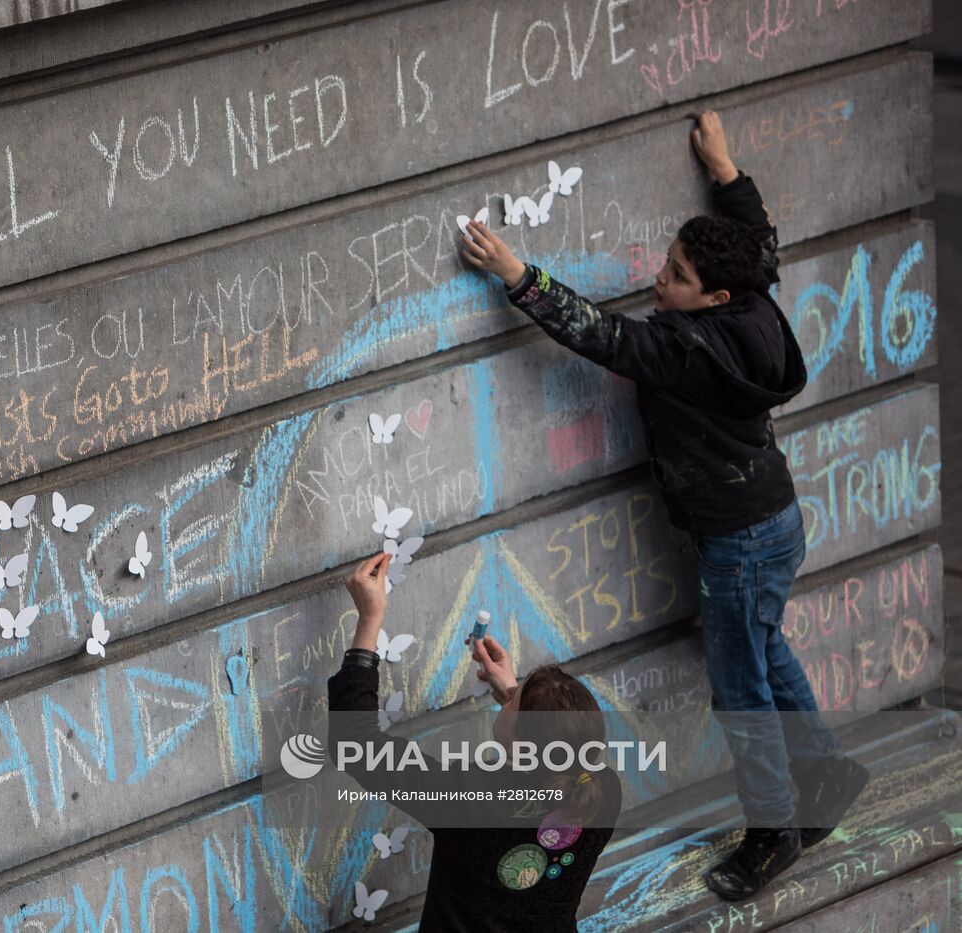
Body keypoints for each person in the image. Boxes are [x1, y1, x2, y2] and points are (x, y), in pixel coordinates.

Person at [456, 111, 870, 901]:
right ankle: (827, 771)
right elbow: (760, 238)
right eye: (670, 262)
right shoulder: (753, 305)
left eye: (677, 276)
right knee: (766, 646)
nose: (660, 280)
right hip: (774, 518)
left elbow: (603, 337)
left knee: (741, 684)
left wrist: (516, 271)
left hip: (739, 539)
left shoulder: (686, 350)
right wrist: (726, 171)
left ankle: (774, 829)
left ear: (712, 295)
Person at [328, 552, 622, 931]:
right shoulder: (601, 788)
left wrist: (369, 620)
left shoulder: (468, 798)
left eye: (512, 703)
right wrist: (520, 696)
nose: (507, 698)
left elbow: (357, 744)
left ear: (521, 744)